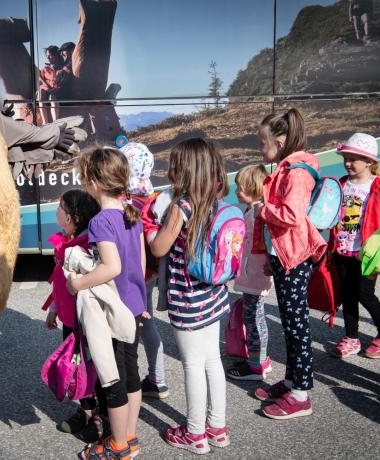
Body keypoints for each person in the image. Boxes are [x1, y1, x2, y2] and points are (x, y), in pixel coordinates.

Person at [149, 138, 231, 454]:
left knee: (192, 364)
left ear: (183, 171)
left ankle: (195, 433)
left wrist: (149, 231)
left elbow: (159, 248)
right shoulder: (217, 201)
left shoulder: (182, 205)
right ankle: (217, 428)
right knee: (213, 360)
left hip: (188, 299)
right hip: (214, 295)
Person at [70, 147, 147, 460]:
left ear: (93, 182)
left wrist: (78, 283)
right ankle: (128, 437)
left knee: (111, 379)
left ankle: (116, 447)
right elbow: (139, 266)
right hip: (134, 306)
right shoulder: (132, 214)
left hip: (113, 312)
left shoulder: (101, 222)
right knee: (131, 373)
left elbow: (110, 267)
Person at [253, 108, 326, 420]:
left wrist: (262, 209)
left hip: (294, 259)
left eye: (263, 142)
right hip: (285, 258)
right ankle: (291, 380)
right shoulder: (287, 170)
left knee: (297, 327)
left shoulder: (296, 173)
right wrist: (272, 258)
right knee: (290, 322)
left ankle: (301, 394)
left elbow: (292, 217)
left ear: (280, 143)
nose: (261, 148)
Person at [329, 133, 380, 359]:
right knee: (347, 295)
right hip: (342, 250)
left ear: (369, 162)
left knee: (364, 294)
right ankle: (351, 337)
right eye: (345, 158)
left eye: (353, 159)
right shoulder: (341, 184)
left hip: (366, 254)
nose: (347, 163)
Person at [42, 189, 102, 441]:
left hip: (86, 320)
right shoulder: (66, 242)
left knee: (93, 366)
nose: (56, 210)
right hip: (69, 317)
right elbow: (58, 281)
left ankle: (101, 417)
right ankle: (85, 410)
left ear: (71, 219)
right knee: (78, 365)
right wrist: (53, 309)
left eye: (60, 207)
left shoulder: (86, 247)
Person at [118, 142, 169, 399]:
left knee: (130, 326)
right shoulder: (153, 198)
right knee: (147, 323)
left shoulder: (123, 202)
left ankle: (129, 381)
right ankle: (157, 379)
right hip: (151, 271)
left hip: (130, 274)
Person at [227, 164, 274, 381]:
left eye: (242, 187)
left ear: (255, 187)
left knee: (254, 318)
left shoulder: (259, 212)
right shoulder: (252, 210)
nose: (237, 191)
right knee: (254, 316)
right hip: (251, 273)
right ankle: (260, 359)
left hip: (255, 274)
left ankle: (256, 365)